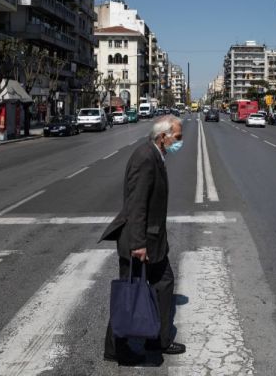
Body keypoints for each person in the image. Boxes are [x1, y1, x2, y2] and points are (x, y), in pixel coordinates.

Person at [99, 115, 186, 366]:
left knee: (158, 285)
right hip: (139, 240)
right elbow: (136, 203)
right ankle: (120, 348)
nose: (180, 142)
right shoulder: (145, 157)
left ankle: (156, 338)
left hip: (152, 239)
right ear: (163, 137)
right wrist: (138, 243)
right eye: (177, 137)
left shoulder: (154, 154)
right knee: (131, 293)